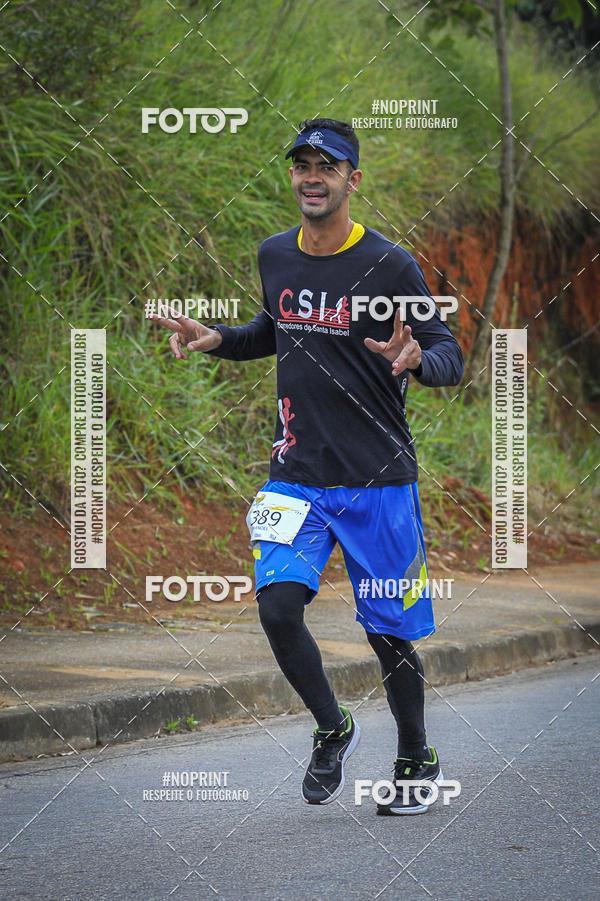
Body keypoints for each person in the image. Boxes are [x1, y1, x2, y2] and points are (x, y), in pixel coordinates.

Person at [148, 118, 464, 814]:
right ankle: (332, 725)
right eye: (302, 165)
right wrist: (218, 338)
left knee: (389, 634)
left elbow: (450, 352)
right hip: (295, 475)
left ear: (353, 178)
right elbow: (275, 329)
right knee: (278, 608)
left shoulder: (390, 265)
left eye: (328, 166)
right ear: (292, 174)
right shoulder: (275, 254)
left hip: (379, 480)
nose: (312, 177)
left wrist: (419, 359)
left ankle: (416, 755)